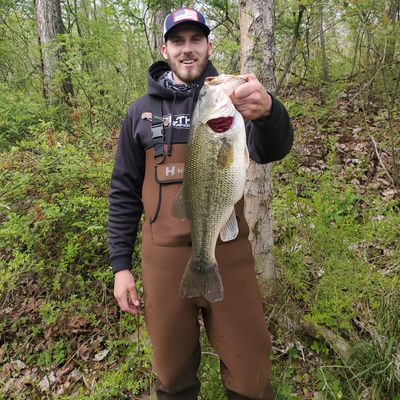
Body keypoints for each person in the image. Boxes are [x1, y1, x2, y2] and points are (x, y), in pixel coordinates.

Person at [108, 7, 293, 400]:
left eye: (196, 40)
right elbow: (123, 191)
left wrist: (269, 112)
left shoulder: (232, 103)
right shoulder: (139, 113)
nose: (187, 49)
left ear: (209, 45)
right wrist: (120, 267)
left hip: (229, 253)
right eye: (178, 41)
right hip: (163, 262)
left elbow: (273, 148)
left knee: (252, 378)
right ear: (165, 48)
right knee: (172, 377)